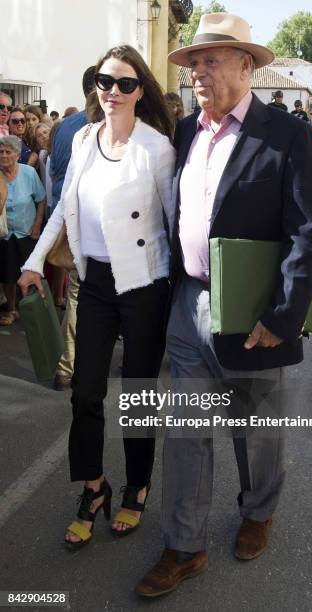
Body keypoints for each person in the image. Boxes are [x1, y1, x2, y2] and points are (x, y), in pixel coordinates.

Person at [135, 12, 312, 597]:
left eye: (210, 60)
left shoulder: (286, 136)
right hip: (187, 305)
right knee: (187, 431)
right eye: (194, 62)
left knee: (257, 429)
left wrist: (280, 317)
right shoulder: (188, 131)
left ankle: (258, 510)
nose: (197, 72)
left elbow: (307, 234)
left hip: (252, 313)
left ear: (246, 66)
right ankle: (183, 545)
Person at [18, 44, 175, 549]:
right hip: (97, 283)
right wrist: (32, 261)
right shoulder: (84, 138)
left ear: (140, 90)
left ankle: (137, 485)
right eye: (105, 82)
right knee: (85, 392)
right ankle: (94, 488)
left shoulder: (156, 148)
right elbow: (63, 211)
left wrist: (187, 286)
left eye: (125, 84)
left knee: (137, 396)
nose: (113, 92)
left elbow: (174, 223)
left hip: (145, 284)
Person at [49, 66, 96, 390]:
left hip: (64, 216)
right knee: (88, 295)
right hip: (90, 219)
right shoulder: (99, 125)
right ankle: (77, 364)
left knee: (78, 293)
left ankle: (67, 365)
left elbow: (54, 173)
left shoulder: (63, 126)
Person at [0, 136, 46, 325]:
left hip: (27, 232)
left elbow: (41, 200)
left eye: (8, 152)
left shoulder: (28, 173)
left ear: (17, 155)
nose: (3, 155)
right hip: (4, 233)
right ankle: (12, 310)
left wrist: (37, 225)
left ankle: (34, 310)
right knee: (7, 274)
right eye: (0, 152)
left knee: (29, 271)